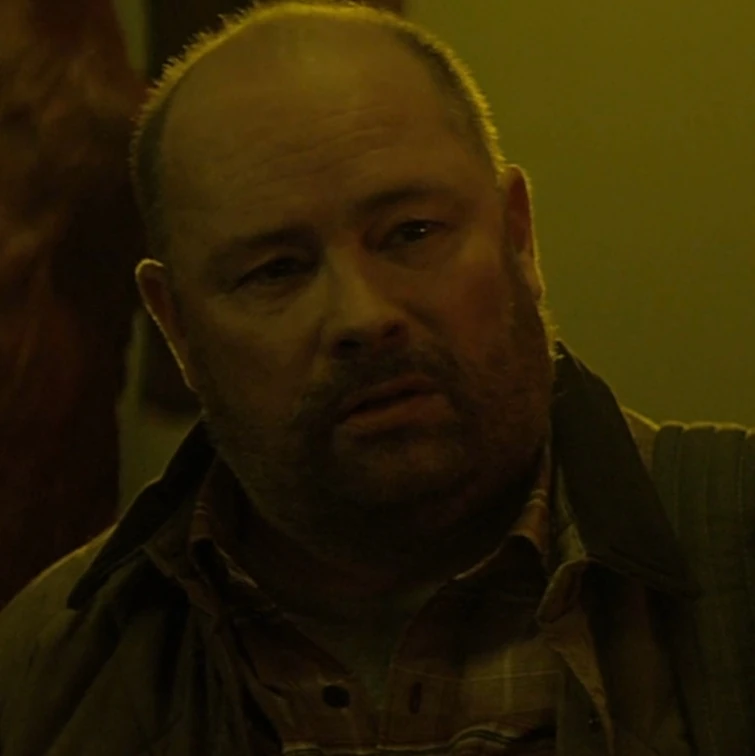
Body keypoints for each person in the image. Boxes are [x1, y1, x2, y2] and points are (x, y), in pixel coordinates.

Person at [0, 2, 752, 754]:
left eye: (412, 232)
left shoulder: (734, 551)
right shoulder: (50, 665)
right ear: (176, 326)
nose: (362, 315)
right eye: (276, 270)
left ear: (518, 236)